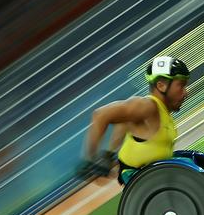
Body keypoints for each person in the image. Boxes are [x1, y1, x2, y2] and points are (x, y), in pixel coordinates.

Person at [79, 56, 190, 184]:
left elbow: (124, 124)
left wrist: (109, 155)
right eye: (181, 86)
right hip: (147, 182)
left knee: (193, 161)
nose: (185, 93)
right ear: (161, 86)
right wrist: (91, 159)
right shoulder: (147, 106)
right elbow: (100, 115)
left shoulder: (161, 112)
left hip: (159, 176)